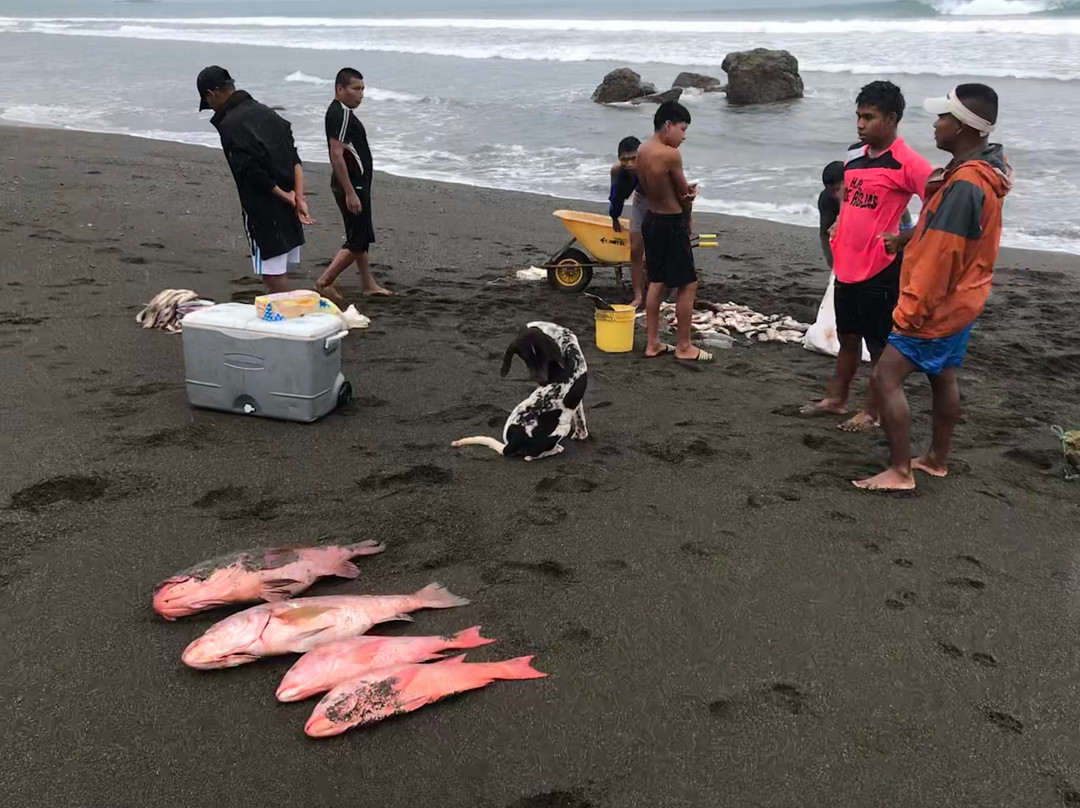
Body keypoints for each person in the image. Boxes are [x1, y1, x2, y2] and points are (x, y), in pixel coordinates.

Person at [855, 84, 1010, 491]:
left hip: (936, 304)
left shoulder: (965, 185)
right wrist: (907, 239)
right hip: (965, 299)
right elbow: (944, 234)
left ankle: (901, 471)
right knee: (943, 375)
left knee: (884, 379)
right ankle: (937, 459)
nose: (936, 123)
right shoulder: (977, 173)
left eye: (943, 117)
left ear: (962, 127)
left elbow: (943, 255)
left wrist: (910, 312)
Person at [802, 81, 933, 432]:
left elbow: (940, 206)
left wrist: (905, 237)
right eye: (858, 116)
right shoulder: (853, 157)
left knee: (878, 348)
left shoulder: (909, 163)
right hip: (846, 265)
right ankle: (837, 400)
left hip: (880, 269)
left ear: (891, 119)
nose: (860, 124)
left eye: (868, 117)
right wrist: (840, 224)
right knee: (846, 338)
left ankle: (872, 412)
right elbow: (850, 199)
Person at [198, 66, 313, 293]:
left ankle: (282, 319)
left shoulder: (230, 125)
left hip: (264, 207)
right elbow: (294, 159)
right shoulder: (267, 113)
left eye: (207, 101)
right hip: (289, 201)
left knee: (272, 271)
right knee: (282, 264)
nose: (210, 107)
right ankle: (286, 313)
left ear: (212, 94)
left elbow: (252, 173)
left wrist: (287, 197)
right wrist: (298, 196)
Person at [637, 101, 709, 363]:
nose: (684, 136)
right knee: (688, 283)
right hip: (671, 223)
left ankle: (653, 342)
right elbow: (684, 193)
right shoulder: (670, 154)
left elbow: (650, 187)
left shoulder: (642, 151)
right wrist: (692, 193)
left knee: (656, 281)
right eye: (682, 128)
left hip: (651, 219)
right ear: (668, 125)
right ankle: (684, 346)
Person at [315, 67, 389, 304]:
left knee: (359, 235)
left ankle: (367, 284)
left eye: (363, 89)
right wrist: (350, 192)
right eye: (356, 89)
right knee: (358, 239)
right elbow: (337, 154)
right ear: (340, 89)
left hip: (352, 183)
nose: (361, 94)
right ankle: (324, 283)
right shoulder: (341, 114)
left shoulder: (339, 111)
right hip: (352, 184)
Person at [608, 136, 649, 309]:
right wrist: (614, 217)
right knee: (635, 250)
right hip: (641, 200)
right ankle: (638, 296)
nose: (630, 164)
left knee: (657, 252)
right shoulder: (617, 170)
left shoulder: (653, 166)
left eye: (634, 158)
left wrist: (687, 218)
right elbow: (616, 196)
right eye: (625, 159)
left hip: (662, 202)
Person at [817, 160, 845, 268]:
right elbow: (825, 234)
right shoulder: (826, 198)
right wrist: (833, 263)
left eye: (838, 189)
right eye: (832, 190)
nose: (836, 194)